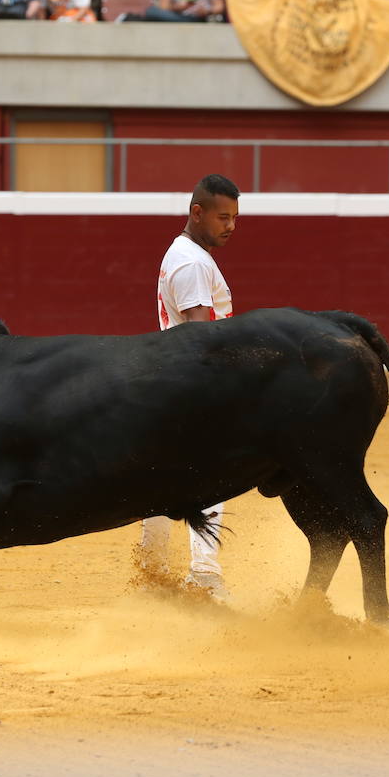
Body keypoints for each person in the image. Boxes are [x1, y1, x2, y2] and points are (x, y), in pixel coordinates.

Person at [139, 173, 240, 603]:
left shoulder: (184, 254)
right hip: (195, 389)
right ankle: (204, 575)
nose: (230, 225)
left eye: (235, 217)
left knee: (161, 483)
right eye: (222, 216)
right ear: (196, 212)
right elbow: (202, 339)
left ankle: (153, 573)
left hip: (171, 385)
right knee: (211, 481)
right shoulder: (193, 263)